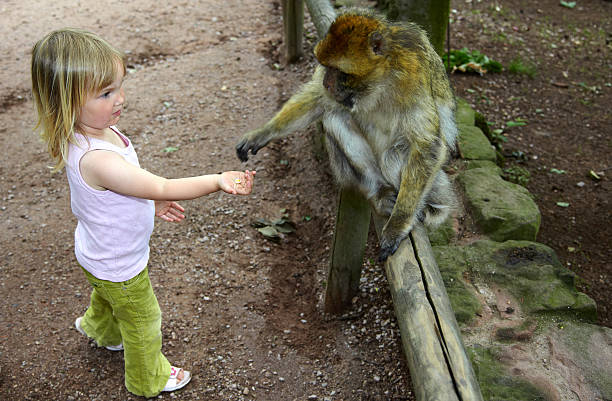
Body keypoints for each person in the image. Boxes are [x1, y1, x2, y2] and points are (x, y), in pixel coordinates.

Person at [30, 28, 255, 397]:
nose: (120, 98)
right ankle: (146, 379)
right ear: (67, 102)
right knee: (143, 321)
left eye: (119, 85)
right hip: (120, 263)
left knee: (105, 295)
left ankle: (99, 330)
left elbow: (122, 190)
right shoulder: (98, 158)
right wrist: (217, 180)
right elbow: (162, 185)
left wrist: (148, 202)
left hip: (96, 252)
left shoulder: (88, 131)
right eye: (105, 93)